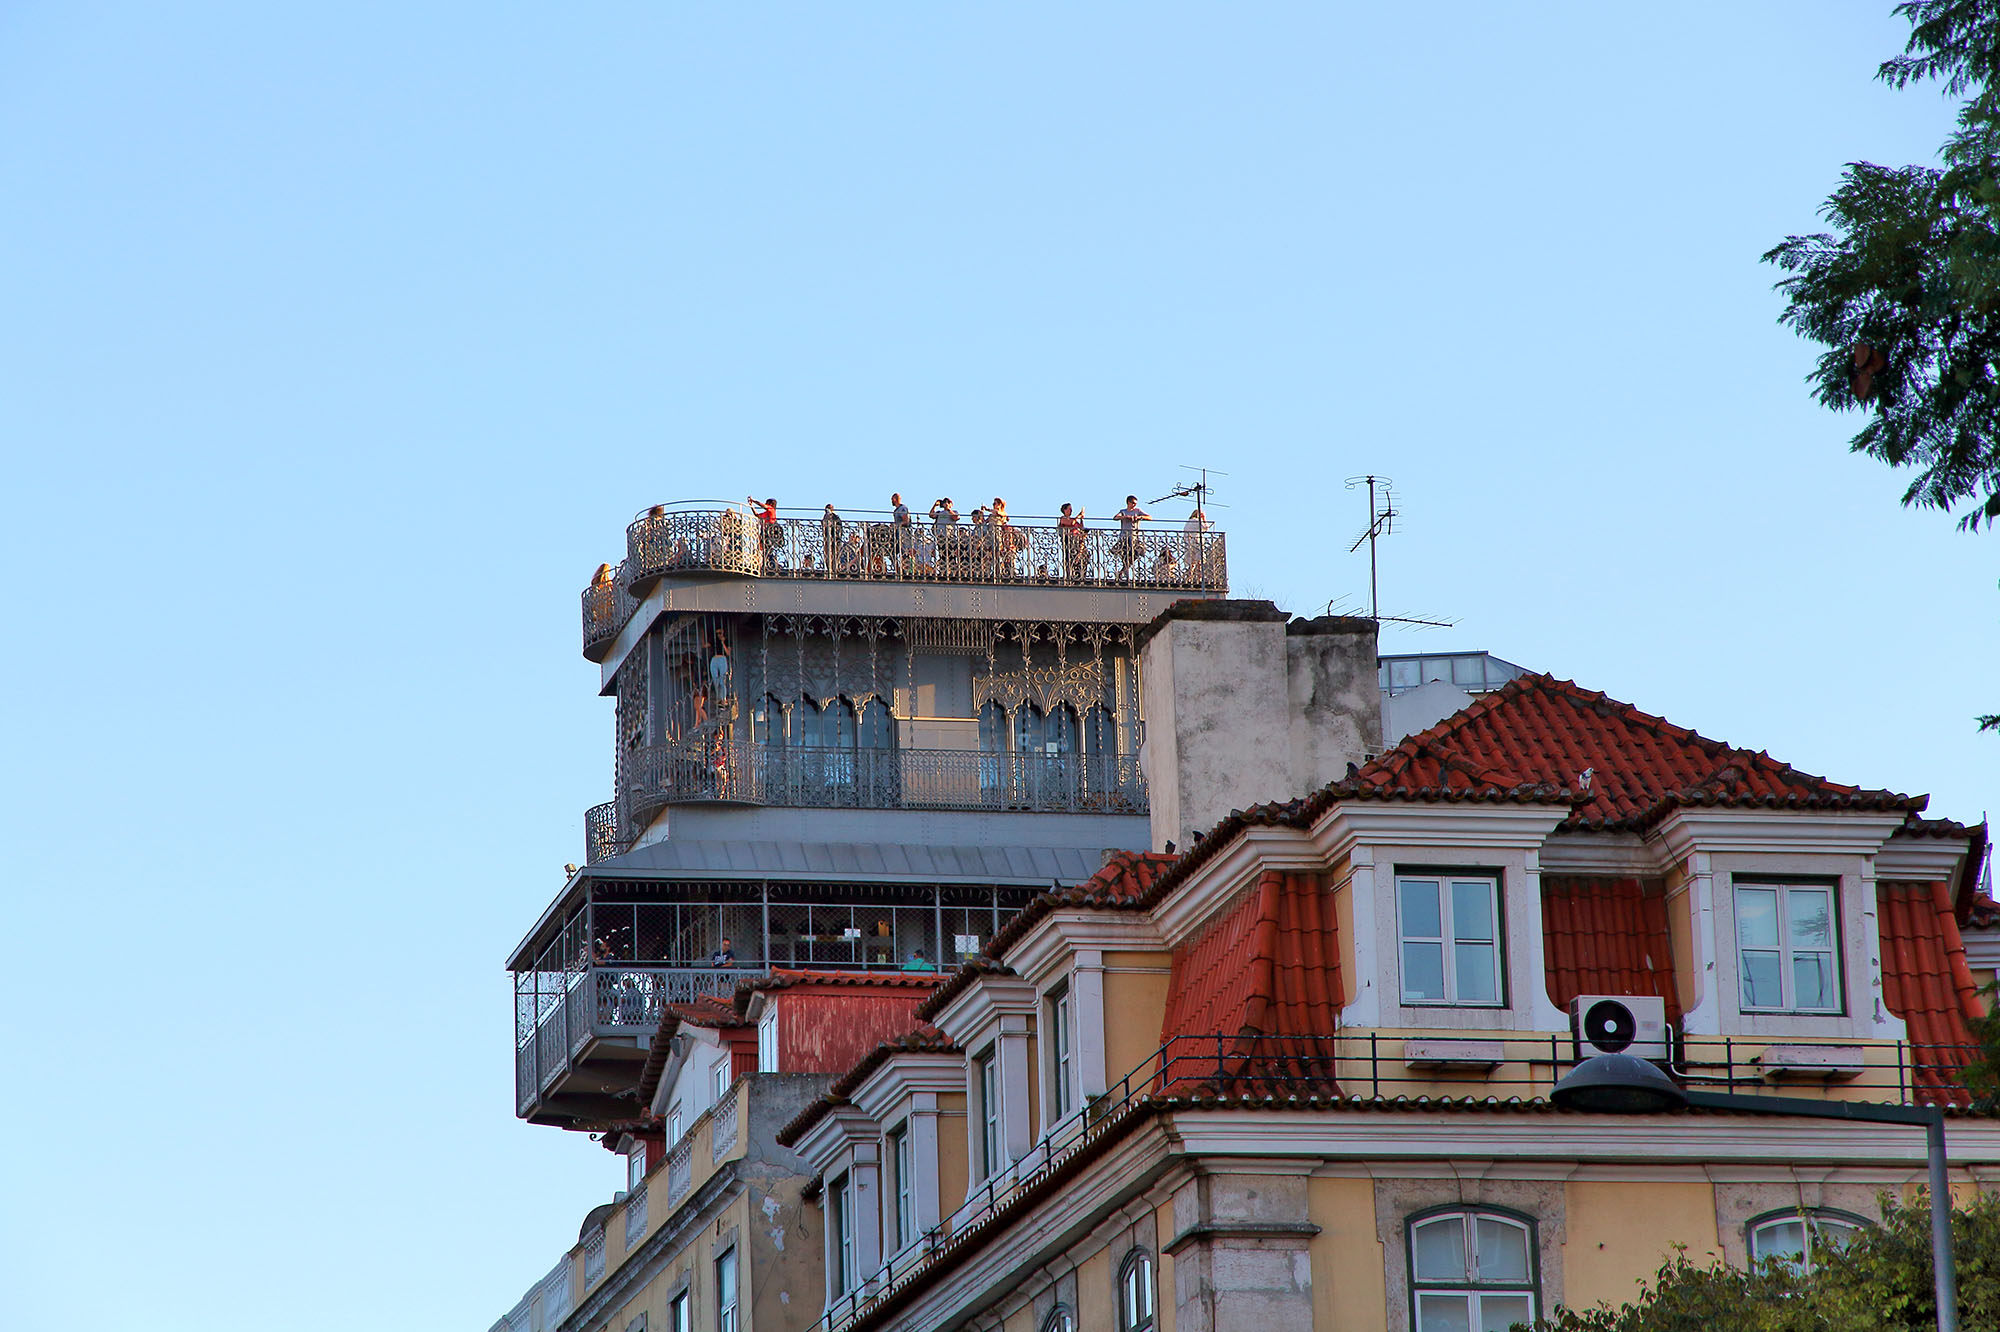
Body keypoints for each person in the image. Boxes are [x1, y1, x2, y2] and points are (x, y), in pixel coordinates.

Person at [1114, 495, 1150, 579]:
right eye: (1133, 503)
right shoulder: (1123, 511)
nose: (1134, 505)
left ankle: (1122, 572)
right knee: (1125, 556)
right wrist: (1126, 517)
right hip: (1124, 537)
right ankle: (1124, 574)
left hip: (1134, 537)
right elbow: (1115, 517)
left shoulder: (1138, 511)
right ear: (1128, 502)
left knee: (1136, 554)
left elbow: (1150, 517)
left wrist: (1140, 517)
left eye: (1135, 503)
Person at [747, 496, 782, 572]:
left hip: (770, 531)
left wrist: (753, 500)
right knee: (764, 549)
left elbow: (762, 505)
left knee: (768, 549)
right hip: (765, 531)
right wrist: (751, 506)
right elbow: (757, 515)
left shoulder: (771, 510)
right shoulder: (766, 513)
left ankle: (771, 564)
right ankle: (766, 563)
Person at [1057, 503, 1086, 582]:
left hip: (1077, 540)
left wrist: (1081, 519)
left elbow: (1081, 527)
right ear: (1064, 510)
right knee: (1070, 557)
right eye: (1069, 509)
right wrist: (1078, 516)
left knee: (1080, 557)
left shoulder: (1073, 519)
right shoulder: (1063, 518)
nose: (1071, 510)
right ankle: (1069, 574)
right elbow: (1071, 523)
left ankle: (1079, 574)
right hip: (1069, 540)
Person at [821, 503, 844, 572]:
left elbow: (839, 527)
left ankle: (835, 568)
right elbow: (824, 526)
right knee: (828, 554)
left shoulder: (836, 517)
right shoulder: (825, 517)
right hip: (828, 539)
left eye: (830, 508)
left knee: (836, 554)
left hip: (836, 539)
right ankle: (829, 568)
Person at [708, 635, 731, 702]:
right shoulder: (714, 641)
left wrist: (723, 643)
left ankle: (723, 698)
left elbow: (728, 652)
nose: (719, 635)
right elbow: (705, 645)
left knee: (722, 679)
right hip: (714, 659)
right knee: (715, 679)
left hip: (722, 658)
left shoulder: (727, 641)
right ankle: (719, 698)